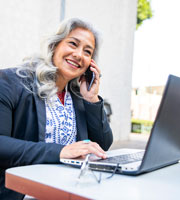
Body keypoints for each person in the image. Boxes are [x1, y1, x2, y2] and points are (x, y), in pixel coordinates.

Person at [0, 18, 113, 199]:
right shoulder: (9, 81)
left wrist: (91, 99)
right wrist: (60, 152)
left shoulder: (78, 96)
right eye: (73, 44)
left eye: (87, 51)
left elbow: (103, 145)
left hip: (72, 189)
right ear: (54, 46)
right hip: (23, 193)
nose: (78, 54)